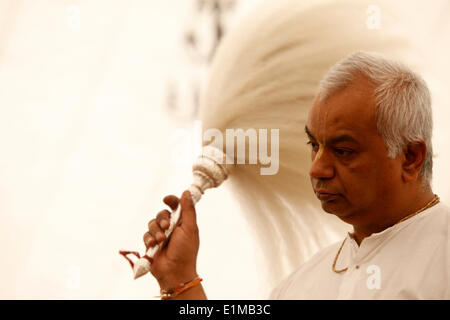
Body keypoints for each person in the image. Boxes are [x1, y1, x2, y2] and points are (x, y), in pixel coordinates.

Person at [143, 52, 449, 299]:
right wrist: (180, 279)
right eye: (313, 145)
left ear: (410, 158)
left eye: (343, 150)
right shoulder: (300, 286)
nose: (317, 168)